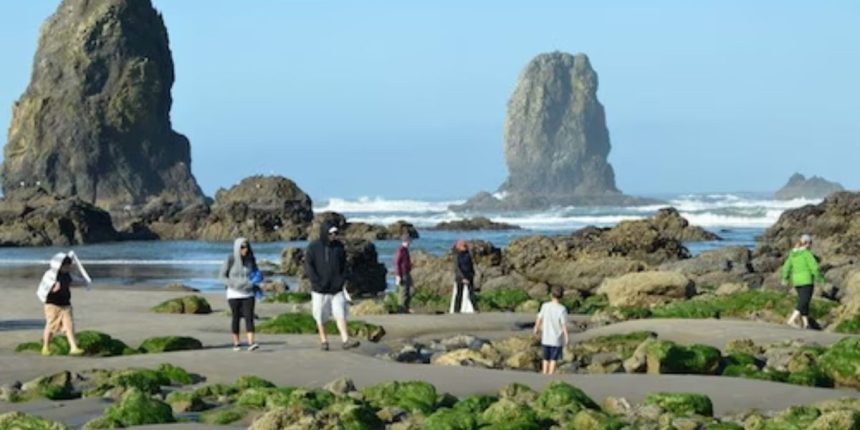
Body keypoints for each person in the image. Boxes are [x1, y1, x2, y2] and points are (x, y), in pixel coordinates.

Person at [304, 223, 360, 350]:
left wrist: (342, 280)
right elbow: (309, 266)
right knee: (320, 315)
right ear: (325, 233)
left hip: (337, 289)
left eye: (335, 233)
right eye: (331, 234)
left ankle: (345, 340)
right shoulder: (313, 247)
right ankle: (324, 341)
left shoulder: (339, 247)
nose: (334, 236)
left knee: (340, 313)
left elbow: (344, 265)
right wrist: (316, 281)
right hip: (320, 290)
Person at [36, 251, 91, 356]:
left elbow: (73, 282)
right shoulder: (50, 275)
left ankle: (73, 347)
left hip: (65, 304)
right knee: (51, 325)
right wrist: (53, 289)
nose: (68, 268)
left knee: (69, 325)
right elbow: (44, 288)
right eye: (66, 266)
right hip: (52, 305)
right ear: (59, 265)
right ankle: (45, 347)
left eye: (69, 266)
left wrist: (84, 282)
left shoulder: (67, 275)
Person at [221, 238, 260, 351]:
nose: (245, 249)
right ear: (237, 248)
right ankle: (236, 343)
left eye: (246, 246)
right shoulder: (230, 259)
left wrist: (255, 282)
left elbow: (256, 273)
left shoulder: (251, 260)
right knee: (236, 317)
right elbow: (222, 276)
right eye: (242, 247)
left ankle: (251, 343)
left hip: (248, 293)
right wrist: (233, 284)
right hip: (233, 293)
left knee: (249, 317)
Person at [782, 234, 826, 329]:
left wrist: (785, 278)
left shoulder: (793, 254)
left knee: (805, 302)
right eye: (810, 243)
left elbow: (786, 267)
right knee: (803, 302)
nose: (811, 246)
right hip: (807, 281)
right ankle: (791, 320)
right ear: (807, 243)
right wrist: (821, 279)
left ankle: (806, 324)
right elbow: (815, 268)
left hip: (797, 282)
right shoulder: (807, 254)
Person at [534, 286, 569, 375]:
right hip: (556, 339)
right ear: (562, 296)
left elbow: (539, 317)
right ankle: (550, 374)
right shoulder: (562, 309)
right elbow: (563, 325)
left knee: (545, 358)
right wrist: (566, 336)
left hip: (546, 337)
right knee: (553, 359)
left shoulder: (545, 306)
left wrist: (536, 328)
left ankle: (544, 373)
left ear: (551, 295)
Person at [450, 240, 477, 313]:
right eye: (463, 246)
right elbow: (457, 268)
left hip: (469, 275)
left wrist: (472, 274)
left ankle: (476, 309)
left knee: (471, 293)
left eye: (465, 245)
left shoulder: (468, 253)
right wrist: (463, 278)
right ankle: (456, 310)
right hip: (460, 277)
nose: (465, 247)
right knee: (459, 294)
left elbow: (470, 264)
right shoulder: (456, 255)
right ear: (458, 247)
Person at [393, 234, 414, 313]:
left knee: (410, 290)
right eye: (409, 241)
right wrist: (398, 275)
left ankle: (406, 307)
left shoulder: (405, 250)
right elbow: (397, 263)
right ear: (405, 241)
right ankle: (401, 309)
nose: (410, 242)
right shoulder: (400, 250)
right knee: (403, 291)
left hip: (407, 272)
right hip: (402, 273)